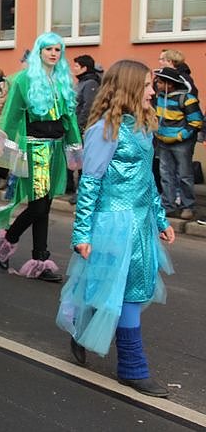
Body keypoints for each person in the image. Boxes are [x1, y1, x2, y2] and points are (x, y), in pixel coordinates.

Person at [57, 59, 175, 398]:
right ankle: (133, 368)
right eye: (148, 85)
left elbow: (147, 181)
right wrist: (81, 234)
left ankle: (80, 329)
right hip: (113, 224)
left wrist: (162, 219)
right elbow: (90, 184)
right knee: (123, 294)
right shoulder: (104, 131)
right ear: (130, 88)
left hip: (140, 223)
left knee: (125, 289)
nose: (153, 90)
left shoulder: (141, 126)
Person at [0, 32, 82, 282]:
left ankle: (40, 259)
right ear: (39, 51)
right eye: (48, 49)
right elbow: (13, 115)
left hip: (56, 149)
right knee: (37, 205)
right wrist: (4, 152)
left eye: (58, 50)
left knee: (45, 205)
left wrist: (75, 147)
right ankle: (9, 241)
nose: (53, 53)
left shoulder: (62, 80)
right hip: (35, 150)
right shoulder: (25, 80)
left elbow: (68, 118)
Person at [153, 66, 203, 220]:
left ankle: (188, 206)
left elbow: (196, 121)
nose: (157, 85)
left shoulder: (187, 99)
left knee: (184, 175)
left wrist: (181, 135)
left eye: (160, 82)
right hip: (163, 142)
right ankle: (168, 205)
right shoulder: (160, 97)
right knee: (166, 174)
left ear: (170, 84)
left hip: (181, 144)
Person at [69, 55, 101, 204]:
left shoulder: (90, 83)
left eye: (76, 66)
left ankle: (81, 192)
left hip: (83, 129)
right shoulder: (82, 82)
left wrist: (80, 125)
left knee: (84, 163)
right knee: (76, 161)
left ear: (84, 68)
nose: (73, 69)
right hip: (76, 127)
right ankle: (72, 188)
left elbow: (88, 106)